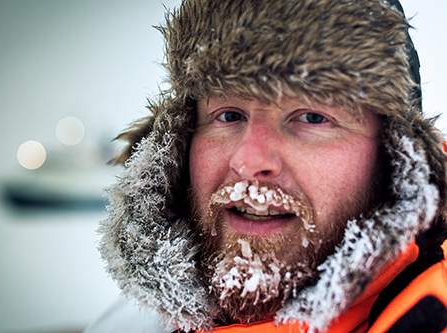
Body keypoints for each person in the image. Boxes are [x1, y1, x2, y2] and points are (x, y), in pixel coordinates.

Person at [91, 0, 447, 332]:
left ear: (396, 159)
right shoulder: (131, 322)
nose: (248, 162)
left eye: (312, 116)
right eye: (229, 115)